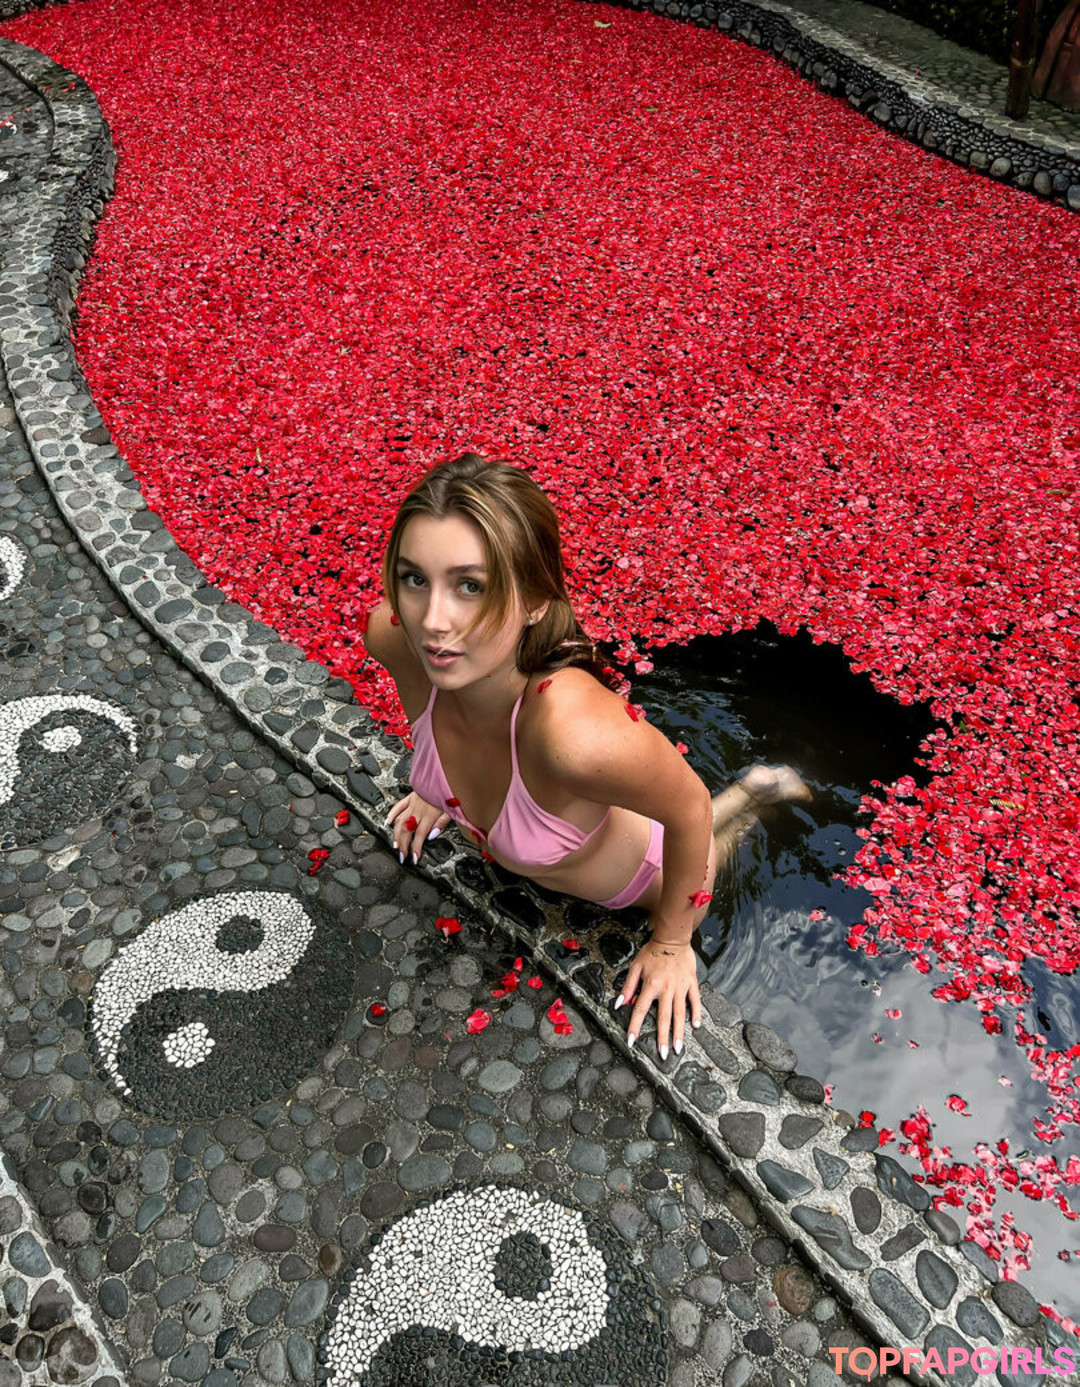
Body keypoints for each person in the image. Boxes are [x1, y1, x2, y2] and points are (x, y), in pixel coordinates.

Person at [363, 452, 810, 1058]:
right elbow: (433, 725)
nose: (432, 621)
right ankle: (756, 788)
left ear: (535, 600)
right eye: (415, 578)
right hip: (578, 836)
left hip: (650, 875)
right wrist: (437, 789)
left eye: (471, 586)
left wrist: (672, 944)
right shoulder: (395, 637)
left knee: (715, 835)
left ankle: (755, 798)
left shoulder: (573, 734)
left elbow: (688, 809)